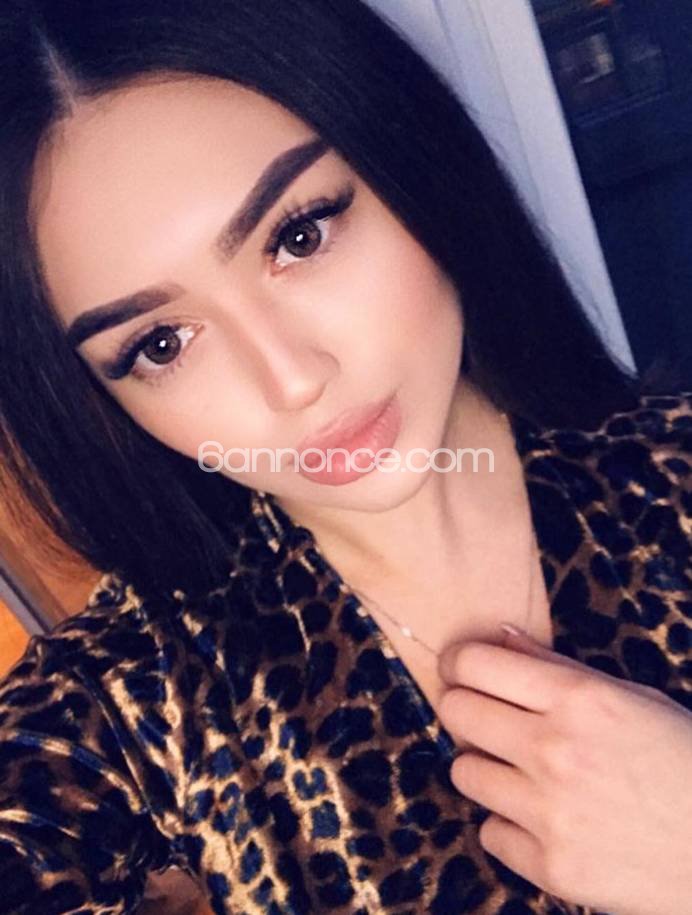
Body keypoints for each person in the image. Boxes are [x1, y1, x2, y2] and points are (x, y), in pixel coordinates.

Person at [0, 1, 690, 913]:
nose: (291, 380)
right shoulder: (124, 709)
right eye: (160, 345)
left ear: (408, 162)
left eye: (300, 235)